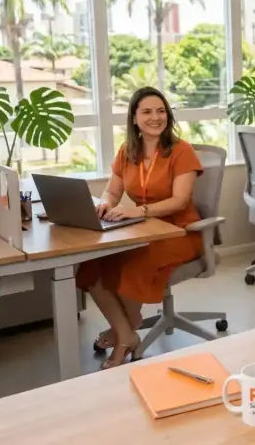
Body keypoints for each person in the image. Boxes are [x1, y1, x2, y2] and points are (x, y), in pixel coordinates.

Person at [78, 87, 204, 369]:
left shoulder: (181, 151)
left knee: (133, 264)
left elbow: (179, 200)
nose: (155, 117)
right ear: (134, 118)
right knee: (92, 264)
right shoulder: (127, 151)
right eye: (147, 112)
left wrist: (136, 211)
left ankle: (124, 331)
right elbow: (112, 191)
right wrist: (105, 204)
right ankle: (125, 330)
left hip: (180, 232)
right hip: (142, 229)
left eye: (161, 111)